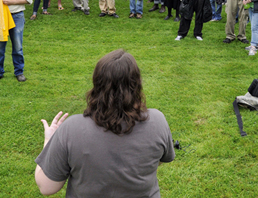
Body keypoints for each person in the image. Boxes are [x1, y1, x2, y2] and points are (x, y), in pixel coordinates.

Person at [35, 49, 175, 197]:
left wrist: (48, 141)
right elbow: (159, 160)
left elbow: (46, 187)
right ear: (137, 84)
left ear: (97, 83)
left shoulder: (71, 129)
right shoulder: (157, 121)